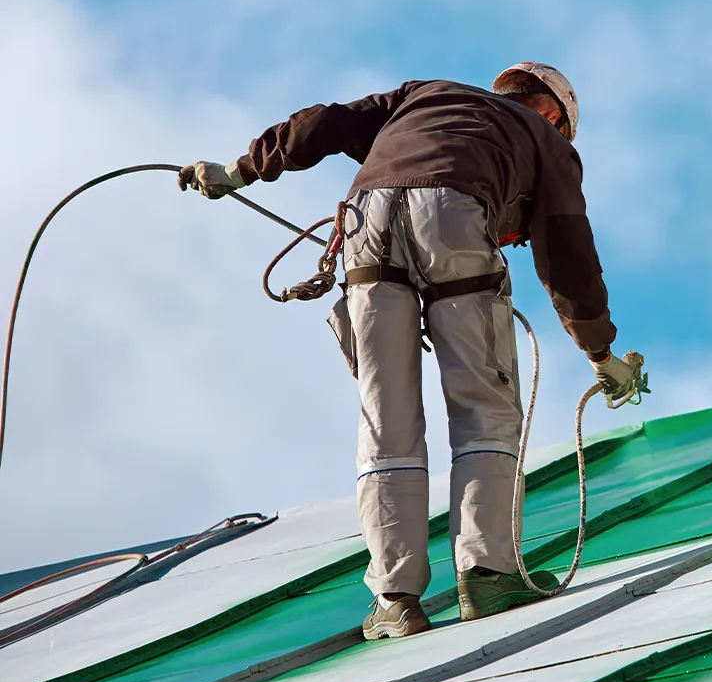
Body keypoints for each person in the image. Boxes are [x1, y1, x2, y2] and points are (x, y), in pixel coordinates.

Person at [179, 62, 637, 639]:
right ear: (552, 113)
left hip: (365, 228)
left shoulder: (426, 95)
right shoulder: (548, 142)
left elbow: (325, 123)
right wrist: (600, 354)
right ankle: (488, 575)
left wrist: (240, 170)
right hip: (456, 220)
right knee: (485, 410)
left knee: (385, 415)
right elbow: (567, 254)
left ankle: (395, 601)